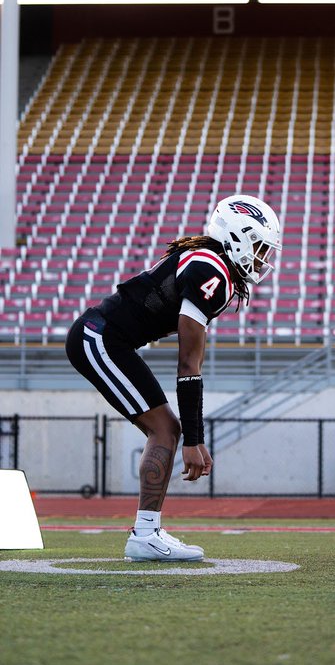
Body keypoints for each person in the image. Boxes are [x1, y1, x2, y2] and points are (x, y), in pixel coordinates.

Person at [66, 196, 281, 561]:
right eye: (259, 246)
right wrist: (195, 440)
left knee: (167, 428)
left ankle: (147, 531)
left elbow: (188, 360)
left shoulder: (209, 264)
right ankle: (146, 533)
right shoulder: (210, 270)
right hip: (99, 338)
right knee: (167, 430)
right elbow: (187, 364)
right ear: (238, 237)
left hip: (110, 339)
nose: (262, 257)